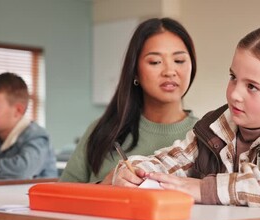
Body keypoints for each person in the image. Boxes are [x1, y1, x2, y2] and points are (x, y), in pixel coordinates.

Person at [112, 23, 260, 208]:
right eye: (233, 77)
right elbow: (171, 162)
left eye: (252, 86)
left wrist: (207, 189)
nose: (234, 94)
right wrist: (132, 171)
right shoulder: (215, 127)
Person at [59, 17, 198, 183]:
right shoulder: (102, 131)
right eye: (155, 62)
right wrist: (106, 186)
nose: (169, 71)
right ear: (135, 71)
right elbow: (60, 197)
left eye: (179, 61)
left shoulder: (207, 138)